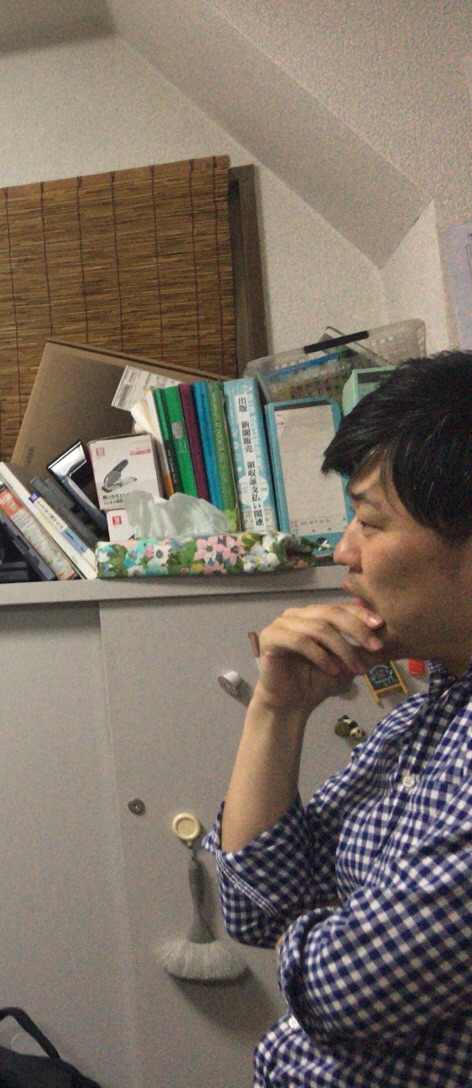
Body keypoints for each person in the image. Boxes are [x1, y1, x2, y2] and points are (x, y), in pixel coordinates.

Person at [206, 351, 472, 1086]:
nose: (343, 550)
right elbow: (256, 902)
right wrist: (277, 710)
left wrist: (318, 935)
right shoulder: (429, 713)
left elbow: (342, 990)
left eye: (371, 522)